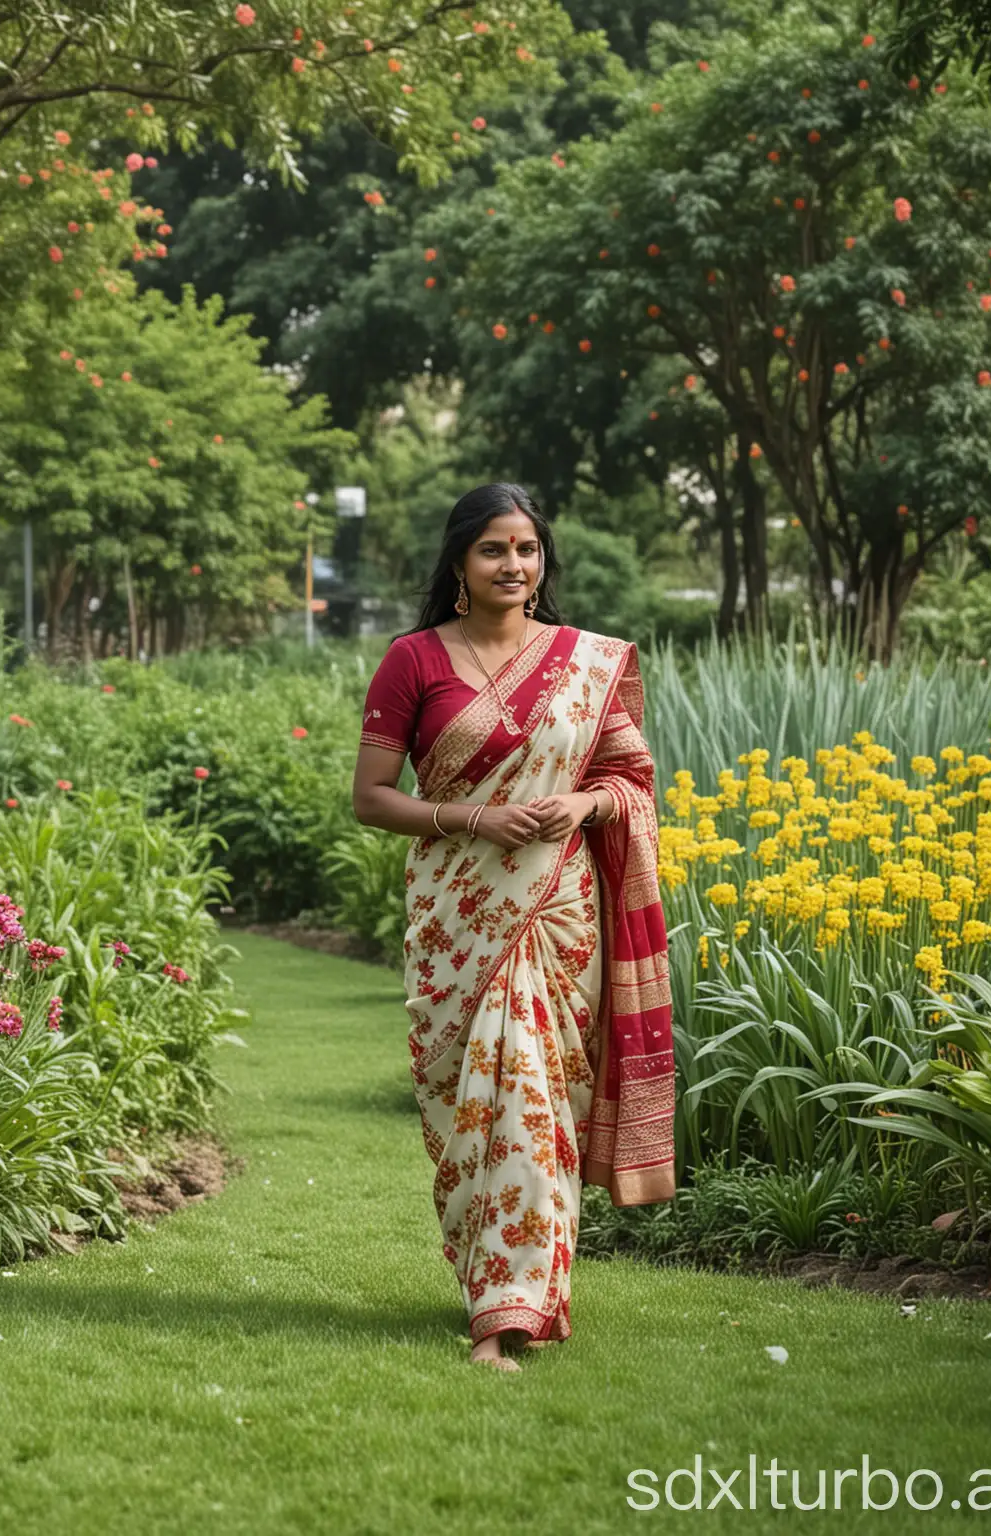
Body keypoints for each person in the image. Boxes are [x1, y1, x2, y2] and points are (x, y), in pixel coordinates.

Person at [351, 483, 676, 1373]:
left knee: (534, 1103)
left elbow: (631, 784)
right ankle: (498, 1275)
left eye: (527, 550)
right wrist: (473, 820)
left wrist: (577, 800)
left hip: (556, 914)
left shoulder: (587, 660)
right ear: (459, 560)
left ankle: (509, 1315)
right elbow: (371, 798)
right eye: (494, 549)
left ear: (543, 563)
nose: (513, 566)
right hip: (458, 913)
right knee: (470, 1111)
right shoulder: (414, 659)